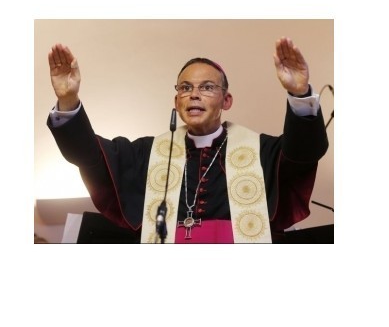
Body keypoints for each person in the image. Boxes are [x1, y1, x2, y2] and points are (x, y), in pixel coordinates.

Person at [46, 37, 329, 243]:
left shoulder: (261, 150)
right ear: (176, 101)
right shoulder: (146, 153)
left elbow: (304, 152)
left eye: (207, 87)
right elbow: (90, 157)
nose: (194, 94)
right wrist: (68, 100)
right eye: (185, 87)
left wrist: (300, 94)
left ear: (226, 100)